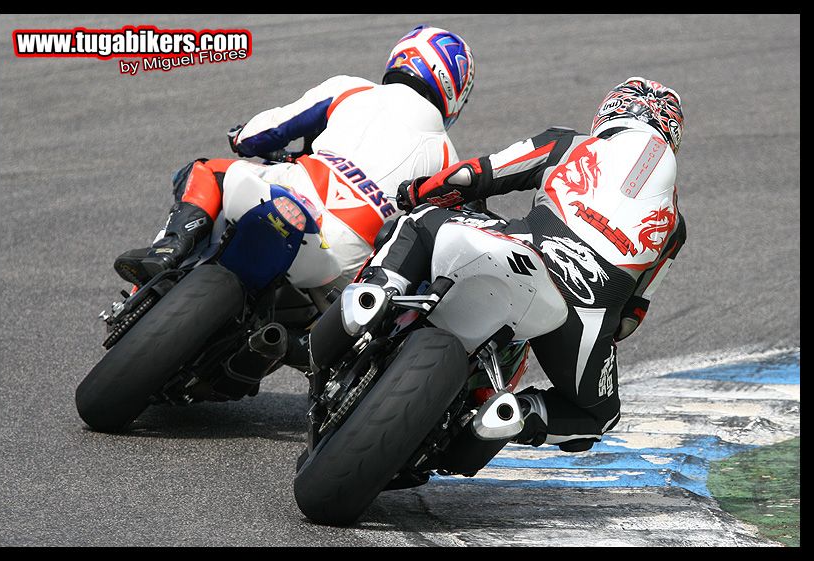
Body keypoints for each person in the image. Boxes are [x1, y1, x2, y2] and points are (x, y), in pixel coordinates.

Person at [353, 76, 686, 452]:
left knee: (422, 219)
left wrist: (418, 191)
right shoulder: (675, 227)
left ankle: (374, 296)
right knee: (599, 416)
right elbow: (630, 318)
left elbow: (474, 175)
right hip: (585, 316)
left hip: (527, 250)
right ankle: (512, 415)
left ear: (609, 112)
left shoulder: (571, 144)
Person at [113, 24, 475, 297]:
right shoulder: (449, 158)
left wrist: (241, 136)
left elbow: (264, 132)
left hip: (299, 192)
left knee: (205, 171)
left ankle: (169, 250)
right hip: (349, 265)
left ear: (402, 56)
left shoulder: (354, 89)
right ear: (455, 91)